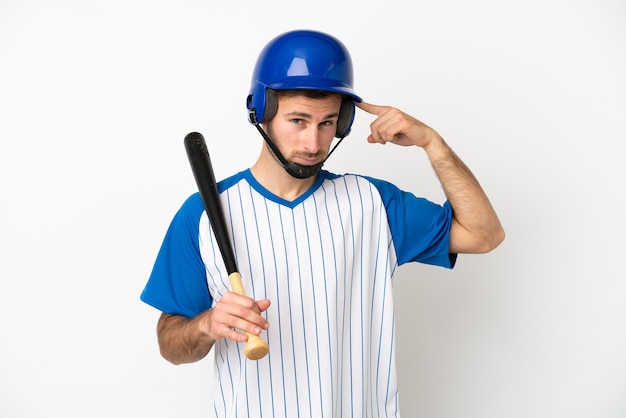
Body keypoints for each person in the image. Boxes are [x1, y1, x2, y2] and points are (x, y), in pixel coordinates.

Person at [140, 29, 504, 417]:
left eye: (328, 122)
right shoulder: (202, 214)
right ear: (261, 113)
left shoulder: (374, 204)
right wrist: (207, 324)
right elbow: (170, 344)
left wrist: (432, 142)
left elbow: (484, 235)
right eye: (298, 120)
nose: (314, 144)